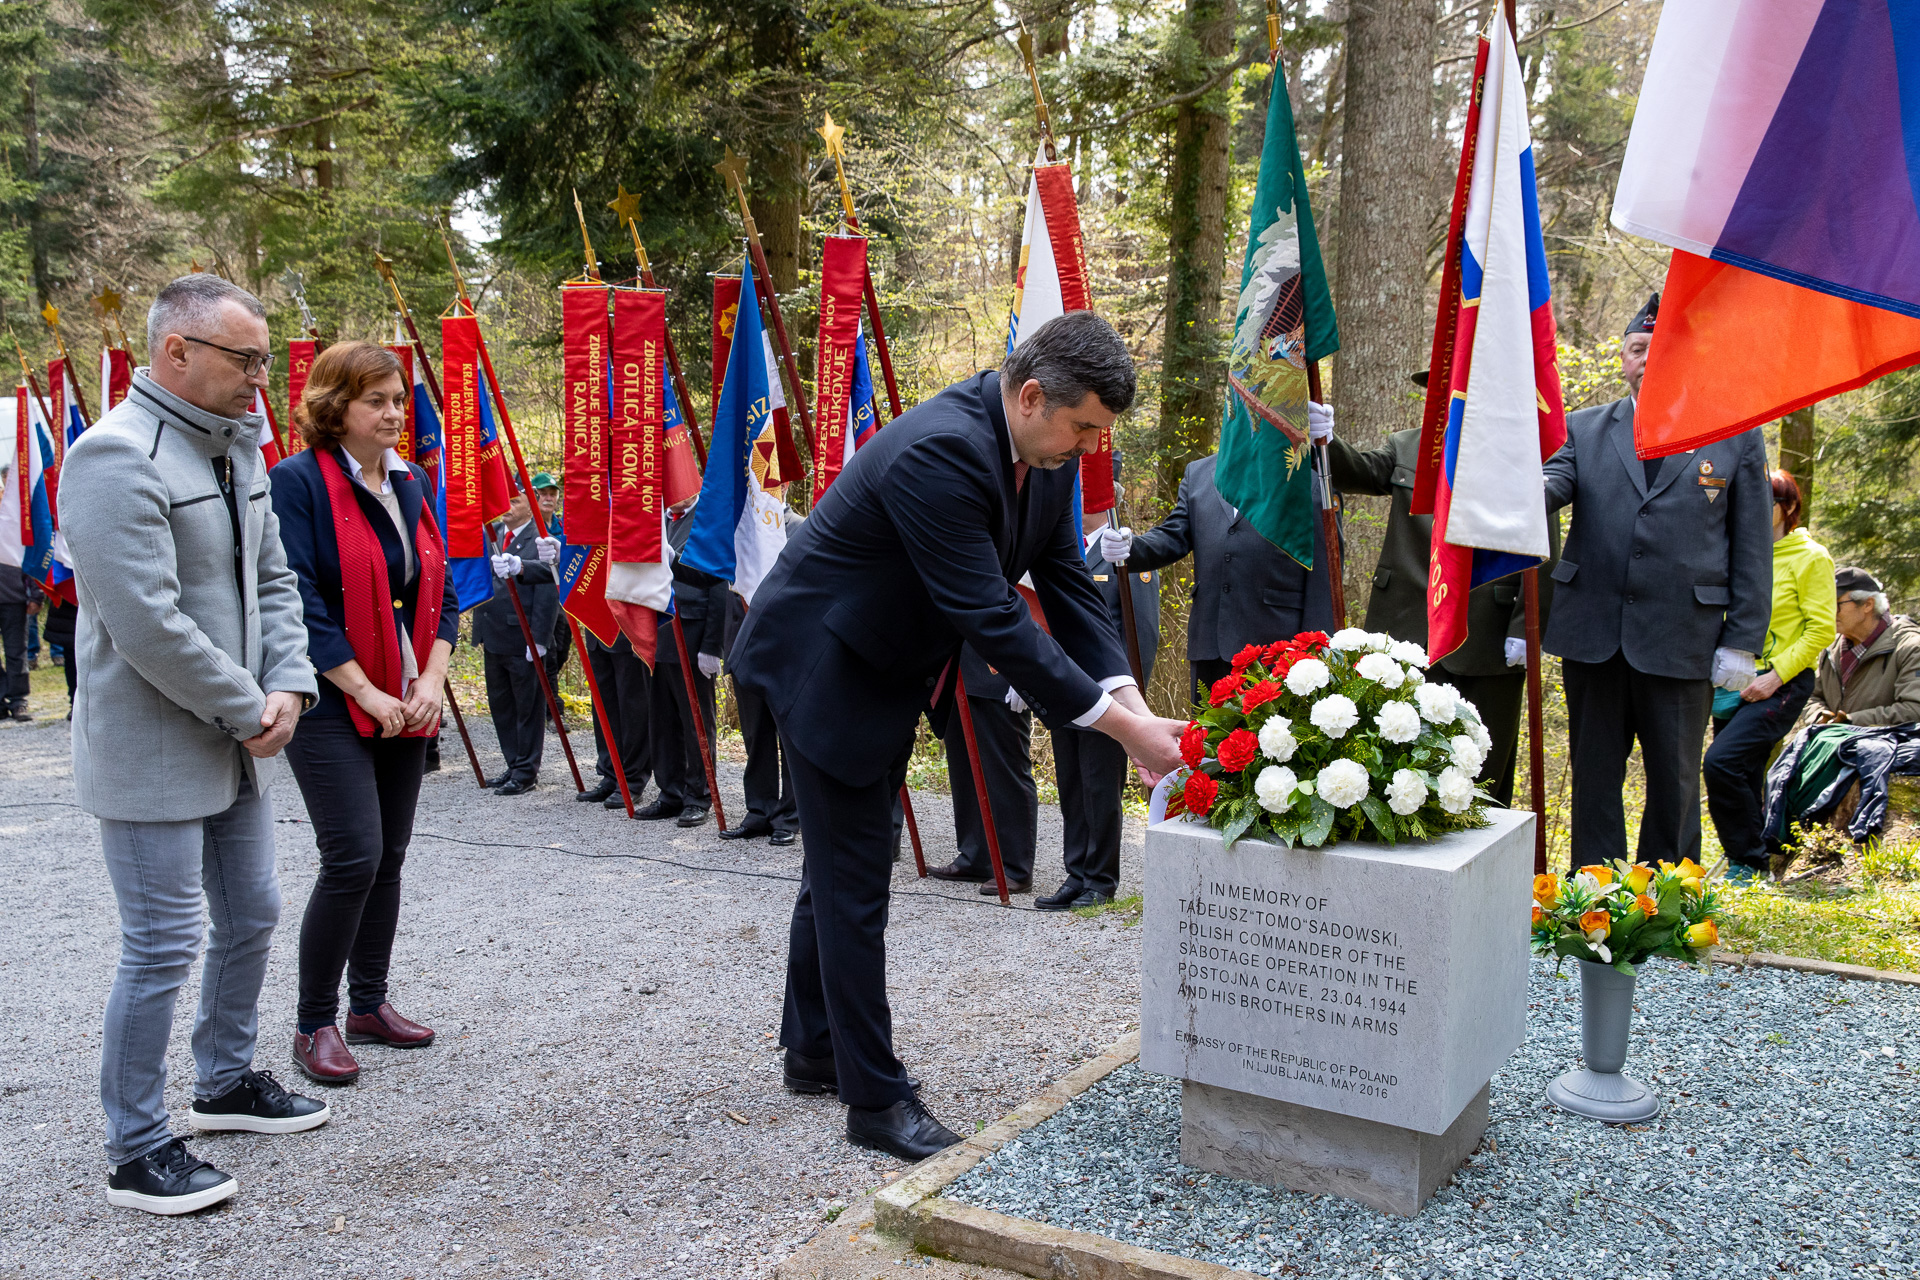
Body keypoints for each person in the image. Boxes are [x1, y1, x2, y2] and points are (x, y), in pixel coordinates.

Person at [730, 311, 1185, 1161]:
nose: (1091, 447)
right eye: (1084, 427)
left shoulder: (1044, 459)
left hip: (884, 662)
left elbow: (1068, 589)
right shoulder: (941, 449)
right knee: (854, 882)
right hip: (823, 664)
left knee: (837, 868)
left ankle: (815, 1049)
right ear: (1033, 395)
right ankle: (875, 1100)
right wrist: (1127, 733)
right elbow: (992, 617)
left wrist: (1129, 700)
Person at [59, 274, 327, 1216]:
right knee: (162, 944)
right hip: (155, 748)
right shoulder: (114, 455)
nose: (261, 379)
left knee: (252, 912)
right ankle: (136, 1150)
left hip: (238, 733)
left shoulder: (235, 447)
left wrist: (289, 683)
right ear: (176, 351)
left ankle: (224, 1083)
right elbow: (146, 623)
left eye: (265, 360)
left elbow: (277, 581)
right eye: (246, 359)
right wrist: (250, 707)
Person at [270, 341, 462, 1085]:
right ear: (335, 407)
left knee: (389, 857)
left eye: (398, 400)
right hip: (330, 698)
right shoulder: (296, 482)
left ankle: (368, 1005)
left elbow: (442, 589)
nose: (393, 413)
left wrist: (431, 680)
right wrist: (364, 690)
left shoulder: (411, 481)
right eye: (375, 400)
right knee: (352, 854)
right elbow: (299, 600)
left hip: (407, 697)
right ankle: (313, 1022)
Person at [1541, 293, 1773, 867]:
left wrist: (1743, 640)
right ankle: (1594, 895)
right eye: (1636, 348)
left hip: (1682, 637)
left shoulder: (1734, 435)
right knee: (1594, 776)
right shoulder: (1583, 430)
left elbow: (1752, 546)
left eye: (1660, 348)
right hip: (1593, 633)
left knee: (1674, 781)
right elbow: (1544, 490)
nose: (1646, 358)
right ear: (1622, 359)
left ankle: (1667, 899)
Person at [1323, 386, 1559, 805]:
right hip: (1405, 632)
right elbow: (1359, 471)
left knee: (1483, 776)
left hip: (1487, 637)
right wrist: (1324, 438)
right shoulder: (1408, 445)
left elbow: (1542, 543)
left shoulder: (1518, 452)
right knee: (1395, 769)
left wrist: (1526, 627)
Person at [1096, 415, 1336, 701]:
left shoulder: (1305, 478)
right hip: (1209, 646)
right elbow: (1173, 536)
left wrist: (1315, 654)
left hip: (1277, 650)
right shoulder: (1199, 473)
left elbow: (1324, 577)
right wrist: (1130, 547)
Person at [1701, 471, 1833, 871]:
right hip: (1734, 679)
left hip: (1783, 682)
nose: (1755, 509)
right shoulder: (1739, 552)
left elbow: (1821, 629)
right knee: (1745, 771)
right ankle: (1749, 861)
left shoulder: (1812, 557)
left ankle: (1748, 860)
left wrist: (1775, 677)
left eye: (1767, 501)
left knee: (1720, 763)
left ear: (1788, 508)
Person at [1040, 508, 1160, 911]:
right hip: (1064, 690)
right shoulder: (1064, 548)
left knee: (1100, 790)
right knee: (1072, 789)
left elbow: (1141, 634)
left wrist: (1131, 702)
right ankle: (1075, 874)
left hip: (1108, 699)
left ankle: (1101, 880)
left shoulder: (1123, 553)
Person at [1763, 567, 1920, 853]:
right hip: (1832, 749)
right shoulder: (1830, 646)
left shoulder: (1910, 646)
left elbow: (1914, 709)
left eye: (1835, 604)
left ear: (1867, 604)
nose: (1826, 611)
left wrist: (1850, 722)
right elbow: (1812, 696)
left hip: (1881, 750)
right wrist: (1819, 717)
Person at [639, 499, 728, 825]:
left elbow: (719, 581)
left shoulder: (707, 518)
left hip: (692, 634)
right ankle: (670, 792)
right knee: (662, 720)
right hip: (659, 632)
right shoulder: (655, 517)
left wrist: (712, 645)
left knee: (696, 723)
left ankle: (698, 796)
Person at [928, 642, 1039, 892]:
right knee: (964, 768)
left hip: (1000, 669)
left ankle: (1015, 867)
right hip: (956, 668)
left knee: (1006, 769)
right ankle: (976, 857)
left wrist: (1027, 670)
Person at [470, 486, 560, 794]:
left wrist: (540, 639)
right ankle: (513, 763)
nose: (506, 506)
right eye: (504, 499)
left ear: (530, 504)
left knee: (527, 707)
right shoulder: (494, 533)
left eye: (514, 500)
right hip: (493, 633)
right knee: (502, 706)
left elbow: (547, 591)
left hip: (523, 637)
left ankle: (526, 771)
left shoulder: (540, 538)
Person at [721, 583, 799, 844]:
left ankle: (789, 816)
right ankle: (759, 810)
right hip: (742, 641)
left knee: (789, 737)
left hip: (786, 644)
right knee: (755, 734)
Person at [579, 630, 652, 808]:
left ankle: (632, 779)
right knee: (604, 708)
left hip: (627, 634)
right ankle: (611, 775)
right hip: (596, 634)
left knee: (632, 710)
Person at [0, 558, 38, 721]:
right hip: (13, 595)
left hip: (14, 598)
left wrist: (36, 594)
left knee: (16, 652)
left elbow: (32, 556)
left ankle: (18, 701)